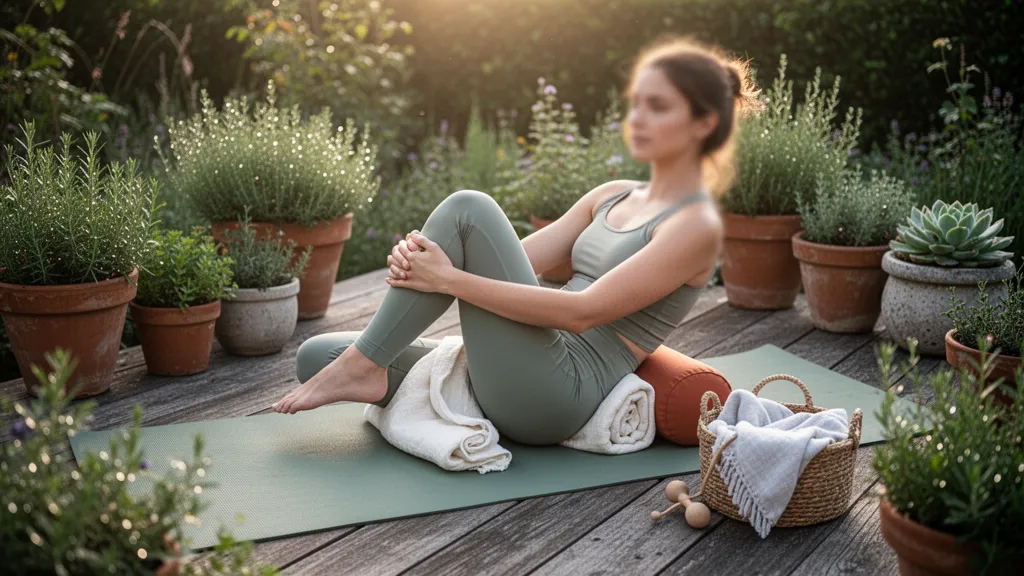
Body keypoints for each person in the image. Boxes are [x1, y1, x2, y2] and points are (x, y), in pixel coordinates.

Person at [271, 36, 755, 446]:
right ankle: (363, 365)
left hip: (557, 391)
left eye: (659, 107)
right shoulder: (611, 195)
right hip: (519, 360)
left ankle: (364, 364)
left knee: (468, 208)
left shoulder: (694, 227)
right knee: (316, 357)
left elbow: (580, 312)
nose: (639, 118)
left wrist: (449, 278)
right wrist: (429, 262)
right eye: (638, 103)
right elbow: (506, 262)